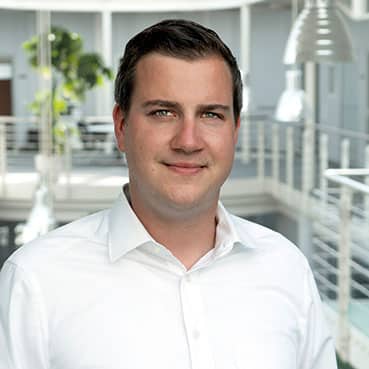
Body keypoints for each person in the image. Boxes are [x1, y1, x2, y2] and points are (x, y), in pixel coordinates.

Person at [0, 19, 337, 369]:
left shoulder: (286, 268)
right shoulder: (36, 281)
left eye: (211, 114)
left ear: (235, 130)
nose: (188, 141)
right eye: (163, 112)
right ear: (121, 126)